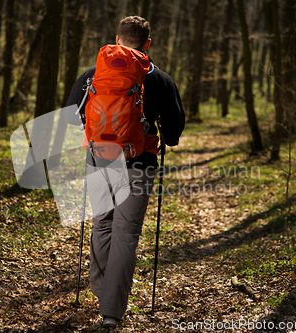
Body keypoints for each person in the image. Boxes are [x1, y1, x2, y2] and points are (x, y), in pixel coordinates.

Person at [66, 16, 185, 328]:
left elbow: (70, 117)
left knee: (102, 226)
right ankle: (111, 312)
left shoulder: (92, 74)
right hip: (139, 164)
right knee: (126, 234)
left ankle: (101, 291)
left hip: (98, 160)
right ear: (147, 44)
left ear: (117, 40)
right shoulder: (159, 79)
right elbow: (174, 132)